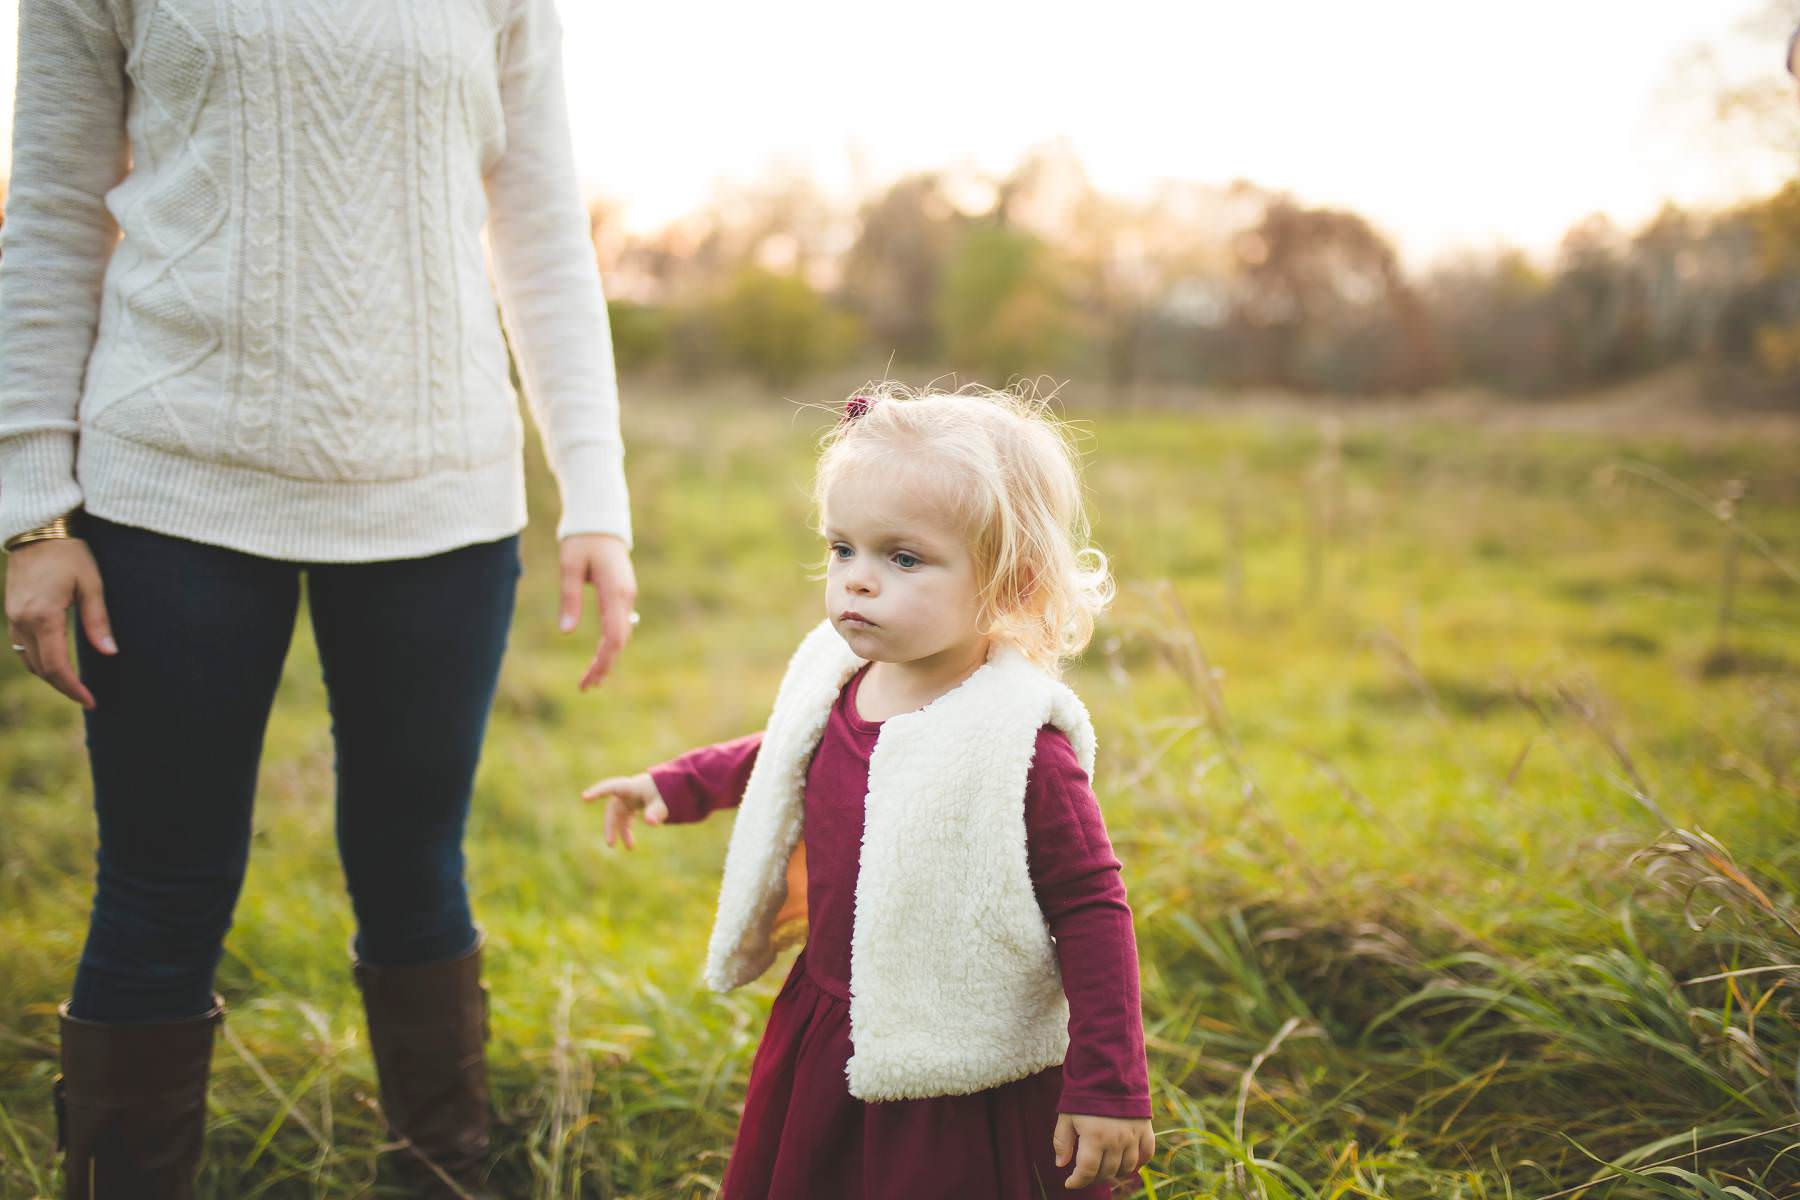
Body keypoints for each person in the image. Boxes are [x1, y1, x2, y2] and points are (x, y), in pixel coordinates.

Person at [0, 1, 636, 1195]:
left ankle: (439, 1177)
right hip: (171, 487)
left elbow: (542, 226)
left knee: (415, 866)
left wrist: (592, 494)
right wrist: (32, 503)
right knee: (162, 882)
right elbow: (47, 215)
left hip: (440, 499)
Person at [583, 385, 1155, 1198]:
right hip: (832, 1025)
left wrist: (1109, 1083)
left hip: (960, 1062)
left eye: (904, 557)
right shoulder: (844, 679)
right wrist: (672, 785)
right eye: (842, 549)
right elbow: (784, 751)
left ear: (1009, 582)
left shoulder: (1020, 743)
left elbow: (1093, 910)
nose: (856, 581)